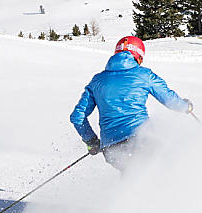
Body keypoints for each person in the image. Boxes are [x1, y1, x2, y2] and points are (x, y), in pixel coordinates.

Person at [70, 35, 193, 172]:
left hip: (111, 148)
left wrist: (91, 141)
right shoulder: (144, 75)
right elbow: (169, 99)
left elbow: (77, 117)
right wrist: (185, 106)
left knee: (132, 177)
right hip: (141, 139)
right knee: (169, 166)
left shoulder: (97, 81)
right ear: (138, 57)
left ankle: (129, 193)